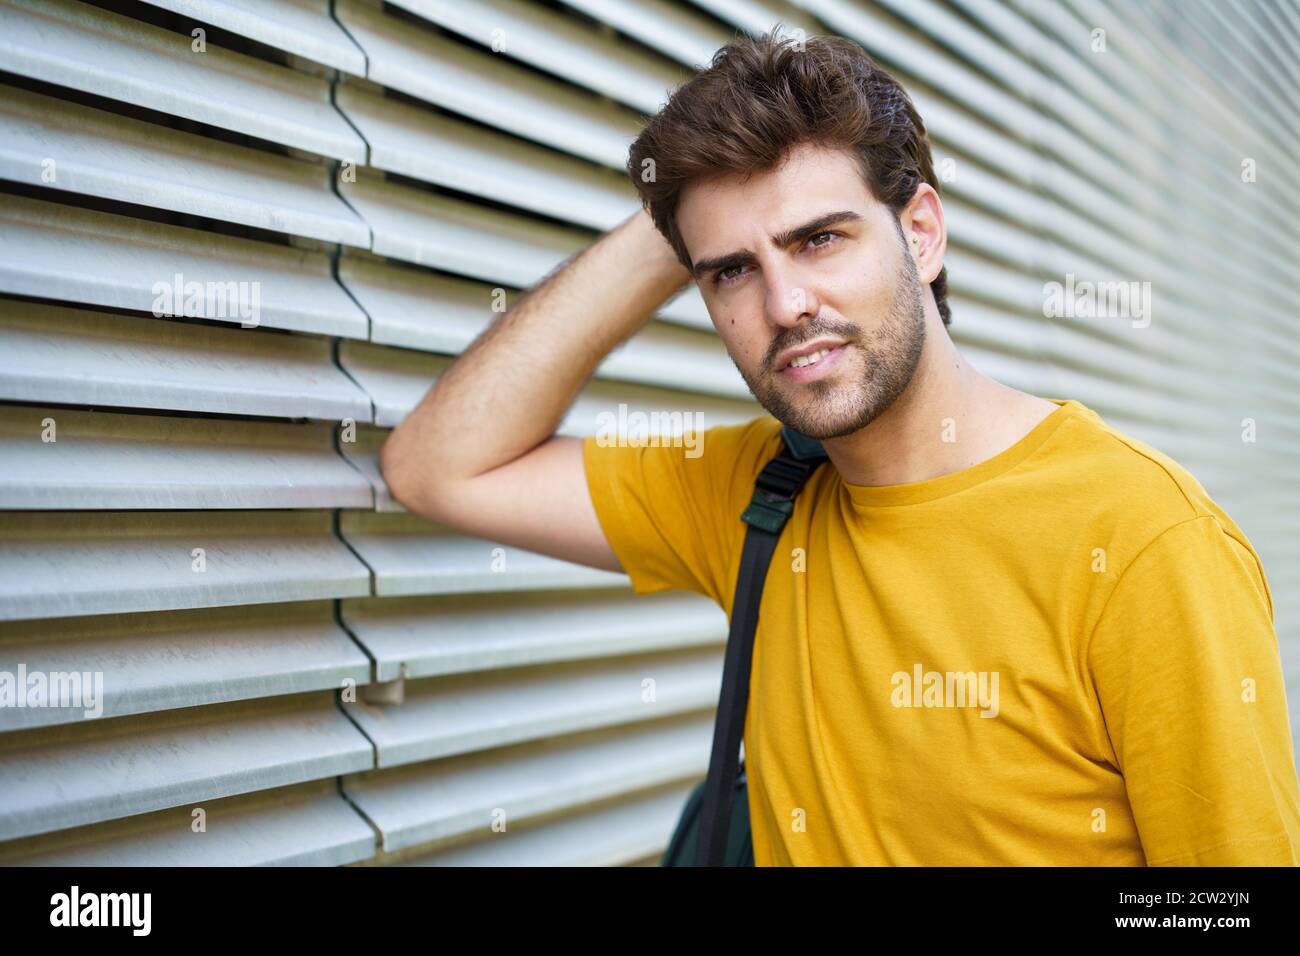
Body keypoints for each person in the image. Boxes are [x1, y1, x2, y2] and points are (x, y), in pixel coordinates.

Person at [380, 30, 1300, 865]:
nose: (784, 306)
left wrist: (725, 218)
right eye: (733, 272)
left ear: (922, 232)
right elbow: (438, 466)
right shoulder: (755, 490)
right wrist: (681, 217)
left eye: (819, 238)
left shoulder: (1142, 542)